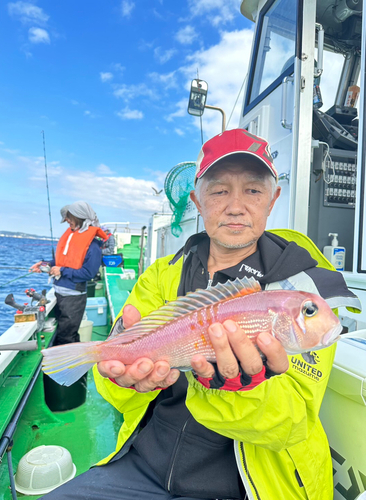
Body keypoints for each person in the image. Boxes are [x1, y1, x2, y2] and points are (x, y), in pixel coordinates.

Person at [42, 130, 361, 500]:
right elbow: (122, 380)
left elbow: (292, 424)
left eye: (254, 190)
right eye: (219, 190)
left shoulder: (306, 285)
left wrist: (239, 390)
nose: (236, 206)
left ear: (273, 200)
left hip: (247, 485)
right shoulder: (162, 273)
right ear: (197, 199)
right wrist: (122, 378)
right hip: (144, 461)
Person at [31, 201, 106, 346]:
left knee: (66, 337)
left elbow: (88, 273)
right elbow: (62, 260)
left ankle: (69, 368)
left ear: (80, 217)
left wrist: (62, 270)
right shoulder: (73, 236)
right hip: (60, 293)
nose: (66, 220)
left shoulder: (94, 245)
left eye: (69, 217)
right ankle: (77, 368)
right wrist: (45, 265)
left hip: (73, 299)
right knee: (66, 335)